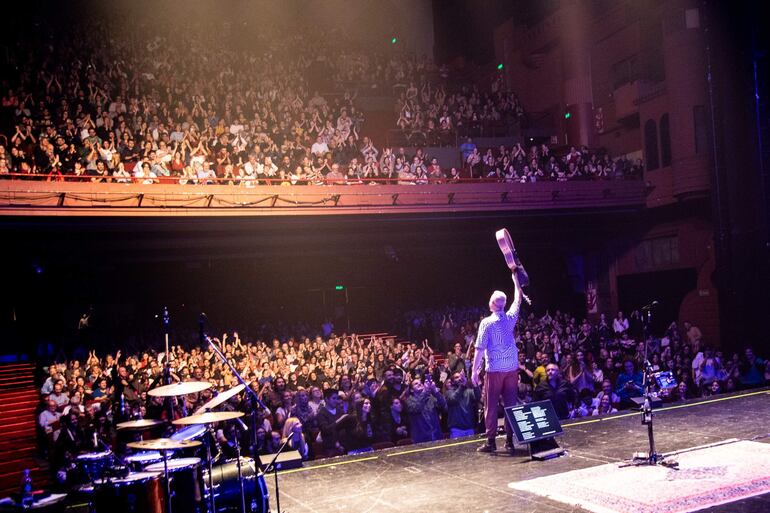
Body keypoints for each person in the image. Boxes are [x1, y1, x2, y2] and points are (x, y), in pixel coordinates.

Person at [472, 259, 523, 453]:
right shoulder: (510, 317)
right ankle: (510, 441)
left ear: (492, 304)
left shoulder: (487, 322)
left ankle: (491, 441)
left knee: (491, 405)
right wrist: (515, 278)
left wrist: (474, 372)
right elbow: (518, 297)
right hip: (512, 368)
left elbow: (479, 348)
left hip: (494, 370)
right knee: (511, 404)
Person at [444, 371, 480, 438]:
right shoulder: (449, 392)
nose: (460, 378)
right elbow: (453, 399)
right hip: (456, 429)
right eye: (456, 377)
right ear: (453, 381)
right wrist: (462, 386)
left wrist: (475, 385)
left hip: (469, 427)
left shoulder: (469, 391)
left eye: (461, 376)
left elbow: (478, 397)